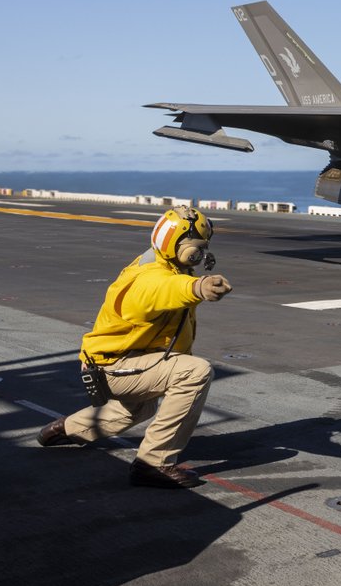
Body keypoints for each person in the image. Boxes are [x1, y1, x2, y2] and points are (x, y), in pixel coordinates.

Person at [36, 205, 233, 489]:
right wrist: (198, 288)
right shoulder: (149, 277)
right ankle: (153, 464)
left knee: (137, 409)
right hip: (114, 367)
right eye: (197, 248)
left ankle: (65, 430)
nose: (200, 254)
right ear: (178, 246)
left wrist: (192, 282)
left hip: (124, 362)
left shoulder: (164, 265)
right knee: (194, 372)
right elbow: (163, 290)